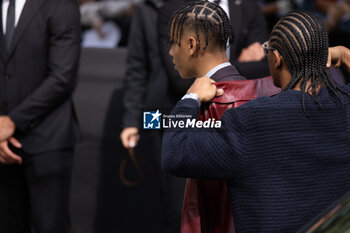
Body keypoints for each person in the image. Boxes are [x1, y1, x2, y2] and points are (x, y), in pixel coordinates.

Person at [162, 7, 350, 233]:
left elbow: (175, 152)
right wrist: (346, 54)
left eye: (268, 49)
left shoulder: (252, 119)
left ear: (277, 58)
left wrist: (190, 98)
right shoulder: (345, 107)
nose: (171, 51)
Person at [0, 0, 81, 232]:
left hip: (48, 139)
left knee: (50, 225)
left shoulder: (60, 5)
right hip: (2, 144)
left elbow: (62, 77)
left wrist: (12, 121)